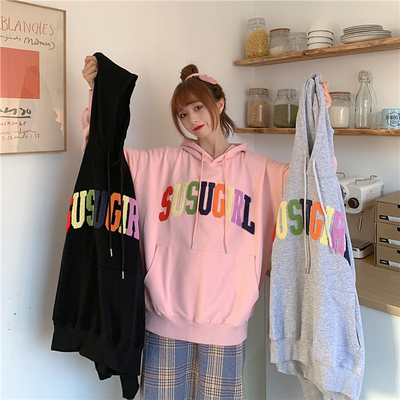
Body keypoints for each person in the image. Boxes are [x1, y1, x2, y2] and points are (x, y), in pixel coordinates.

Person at [82, 55, 289, 400]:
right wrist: (96, 91)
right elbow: (103, 157)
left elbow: (312, 180)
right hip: (165, 320)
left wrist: (320, 121)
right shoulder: (160, 163)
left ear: (219, 104)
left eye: (197, 107)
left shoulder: (260, 170)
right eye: (182, 114)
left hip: (226, 326)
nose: (191, 119)